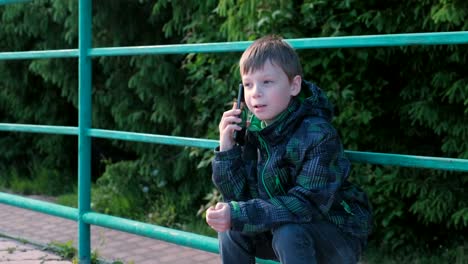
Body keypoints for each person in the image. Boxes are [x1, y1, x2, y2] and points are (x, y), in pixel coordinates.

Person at [206, 35, 372, 264]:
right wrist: (227, 149)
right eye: (248, 84)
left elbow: (306, 205)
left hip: (335, 235)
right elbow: (238, 198)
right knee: (232, 229)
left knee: (287, 232)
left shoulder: (317, 134)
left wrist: (238, 214)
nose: (255, 92)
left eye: (267, 82)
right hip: (284, 231)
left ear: (294, 86)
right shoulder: (253, 130)